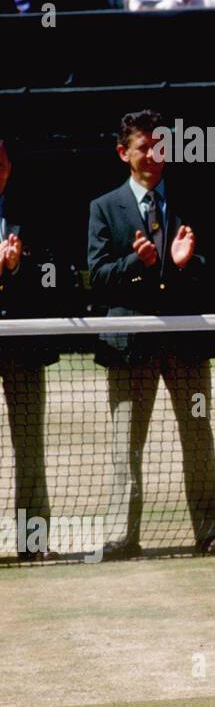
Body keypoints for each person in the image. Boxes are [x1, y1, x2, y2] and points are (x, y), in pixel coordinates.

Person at [87, 110, 215, 560]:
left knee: (198, 438)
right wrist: (138, 263)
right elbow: (97, 276)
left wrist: (187, 262)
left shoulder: (196, 199)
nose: (153, 155)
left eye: (161, 146)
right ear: (123, 153)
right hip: (129, 348)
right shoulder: (104, 208)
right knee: (125, 445)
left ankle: (212, 533)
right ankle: (122, 537)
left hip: (186, 345)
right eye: (143, 147)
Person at [0, 139, 64, 560]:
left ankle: (33, 543)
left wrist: (20, 267)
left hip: (22, 343)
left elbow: (54, 273)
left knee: (30, 446)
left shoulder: (32, 209)